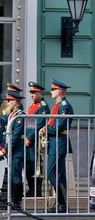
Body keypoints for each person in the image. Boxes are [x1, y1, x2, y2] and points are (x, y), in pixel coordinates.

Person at [40, 79, 74, 213]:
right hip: (55, 142)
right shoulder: (57, 105)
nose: (51, 91)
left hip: (59, 142)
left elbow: (59, 126)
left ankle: (62, 203)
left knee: (51, 172)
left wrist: (45, 130)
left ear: (59, 91)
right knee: (58, 174)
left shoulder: (64, 106)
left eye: (53, 89)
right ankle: (62, 204)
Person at [0, 90, 25, 208]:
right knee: (13, 175)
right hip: (12, 150)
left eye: (9, 100)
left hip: (17, 150)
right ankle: (13, 199)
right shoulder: (13, 115)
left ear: (16, 101)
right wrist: (3, 147)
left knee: (16, 176)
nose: (7, 103)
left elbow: (15, 136)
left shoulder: (19, 115)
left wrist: (5, 149)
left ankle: (17, 201)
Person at [24, 81, 50, 197]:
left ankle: (37, 190)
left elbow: (39, 124)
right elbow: (28, 123)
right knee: (28, 165)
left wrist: (29, 138)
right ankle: (31, 188)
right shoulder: (32, 106)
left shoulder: (43, 107)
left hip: (35, 141)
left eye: (34, 92)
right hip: (28, 139)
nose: (32, 95)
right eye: (31, 92)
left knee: (36, 165)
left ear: (40, 93)